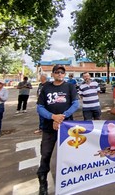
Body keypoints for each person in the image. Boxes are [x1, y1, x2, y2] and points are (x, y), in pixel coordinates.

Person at [36, 64, 79, 195]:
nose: (60, 74)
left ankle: (69, 181)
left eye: (62, 72)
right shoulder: (46, 87)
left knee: (69, 155)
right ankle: (43, 183)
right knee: (46, 155)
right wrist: (53, 117)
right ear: (53, 74)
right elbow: (40, 107)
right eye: (57, 72)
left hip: (67, 128)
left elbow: (75, 104)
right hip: (49, 128)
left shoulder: (70, 86)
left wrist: (62, 117)